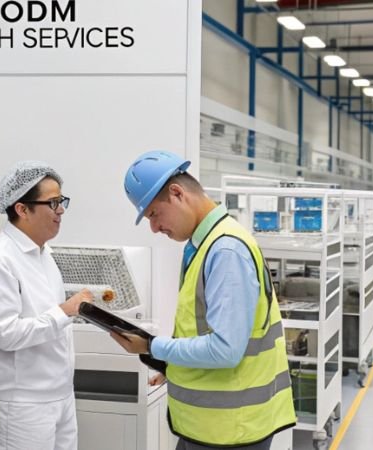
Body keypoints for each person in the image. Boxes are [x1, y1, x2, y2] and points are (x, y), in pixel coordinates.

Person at [112, 150, 296, 449]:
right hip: (212, 427)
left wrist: (151, 346)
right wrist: (173, 367)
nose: (154, 228)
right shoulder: (204, 244)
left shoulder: (225, 251)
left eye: (154, 214)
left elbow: (225, 350)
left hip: (230, 430)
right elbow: (202, 331)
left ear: (177, 193)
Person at [0, 161, 93, 450]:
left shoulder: (44, 253)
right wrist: (65, 311)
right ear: (22, 209)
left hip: (59, 395)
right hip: (21, 406)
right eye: (53, 203)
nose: (61, 210)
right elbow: (4, 333)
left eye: (62, 201)